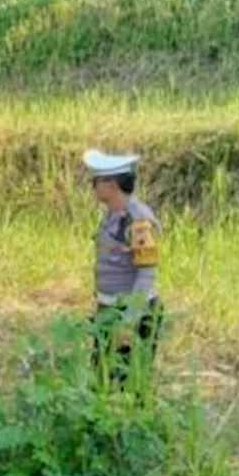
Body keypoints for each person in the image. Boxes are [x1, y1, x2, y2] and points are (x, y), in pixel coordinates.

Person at [84, 149, 164, 376]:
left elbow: (146, 272)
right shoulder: (112, 216)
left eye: (96, 180)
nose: (93, 186)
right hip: (111, 309)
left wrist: (130, 319)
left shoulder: (137, 220)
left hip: (130, 312)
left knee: (131, 383)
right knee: (101, 379)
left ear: (111, 185)